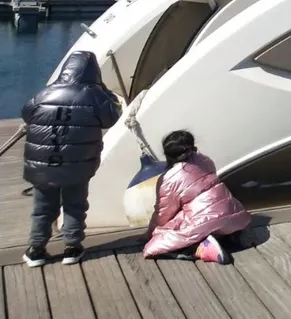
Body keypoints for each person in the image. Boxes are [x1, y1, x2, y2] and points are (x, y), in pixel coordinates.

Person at [22, 50, 121, 267]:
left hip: (43, 164)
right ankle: (72, 247)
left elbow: (26, 113)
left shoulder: (45, 93)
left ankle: (36, 250)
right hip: (77, 165)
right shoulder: (95, 96)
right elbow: (112, 117)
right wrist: (107, 94)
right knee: (75, 205)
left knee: (42, 208)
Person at [142, 130, 251, 264]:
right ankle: (228, 236)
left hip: (208, 219)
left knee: (153, 246)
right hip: (236, 216)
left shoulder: (169, 179)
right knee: (198, 212)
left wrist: (151, 233)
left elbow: (163, 213)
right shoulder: (205, 160)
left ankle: (199, 248)